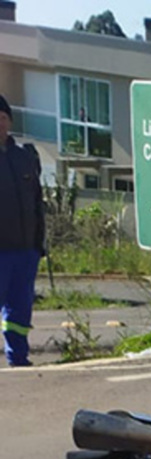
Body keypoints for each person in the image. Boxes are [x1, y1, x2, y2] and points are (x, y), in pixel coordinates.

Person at [0, 94, 45, 367]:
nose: (0, 125)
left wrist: (38, 244)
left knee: (19, 309)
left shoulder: (24, 157)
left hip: (25, 250)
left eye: (3, 118)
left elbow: (37, 202)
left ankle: (18, 359)